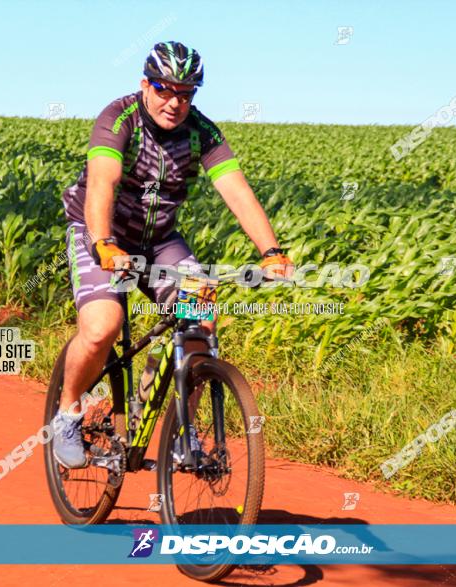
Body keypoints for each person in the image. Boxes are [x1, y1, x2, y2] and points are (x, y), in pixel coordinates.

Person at [53, 41, 294, 468]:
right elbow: (103, 184)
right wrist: (104, 243)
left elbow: (236, 190)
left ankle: (178, 430)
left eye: (186, 93)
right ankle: (68, 413)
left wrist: (271, 251)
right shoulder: (119, 118)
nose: (175, 102)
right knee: (101, 328)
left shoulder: (201, 131)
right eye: (165, 89)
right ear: (146, 84)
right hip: (99, 233)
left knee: (200, 320)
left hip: (160, 239)